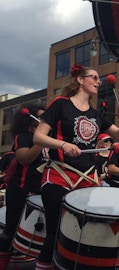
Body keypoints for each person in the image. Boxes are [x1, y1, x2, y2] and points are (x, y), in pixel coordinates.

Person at [33, 64, 119, 270]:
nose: (98, 81)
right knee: (55, 233)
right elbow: (38, 136)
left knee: (82, 236)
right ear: (80, 80)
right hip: (59, 175)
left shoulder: (95, 115)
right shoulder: (60, 104)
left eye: (99, 78)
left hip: (87, 179)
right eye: (93, 77)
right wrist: (64, 145)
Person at [0, 105, 45, 267]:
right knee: (10, 231)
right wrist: (41, 139)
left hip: (43, 192)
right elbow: (24, 159)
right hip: (21, 190)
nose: (45, 120)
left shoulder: (52, 140)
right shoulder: (23, 137)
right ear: (31, 121)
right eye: (41, 117)